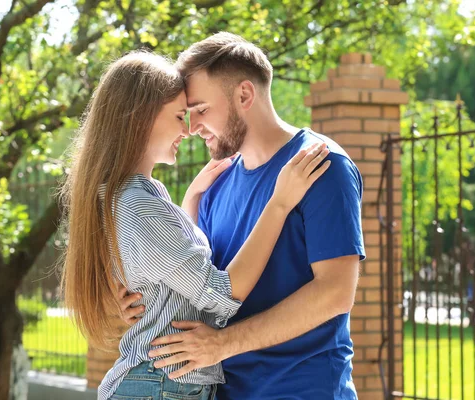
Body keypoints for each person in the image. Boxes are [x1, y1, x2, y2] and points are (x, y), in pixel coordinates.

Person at [59, 51, 331, 400]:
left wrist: (189, 203)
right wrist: (279, 203)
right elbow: (220, 294)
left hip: (163, 384)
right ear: (140, 119)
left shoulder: (138, 193)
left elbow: (171, 275)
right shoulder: (138, 205)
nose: (188, 130)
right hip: (161, 387)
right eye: (178, 116)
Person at [117, 33, 366, 400]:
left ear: (245, 96)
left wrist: (222, 345)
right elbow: (203, 289)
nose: (191, 128)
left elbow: (335, 293)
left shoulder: (320, 167)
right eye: (187, 115)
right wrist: (133, 304)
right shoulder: (214, 186)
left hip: (305, 390)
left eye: (201, 109)